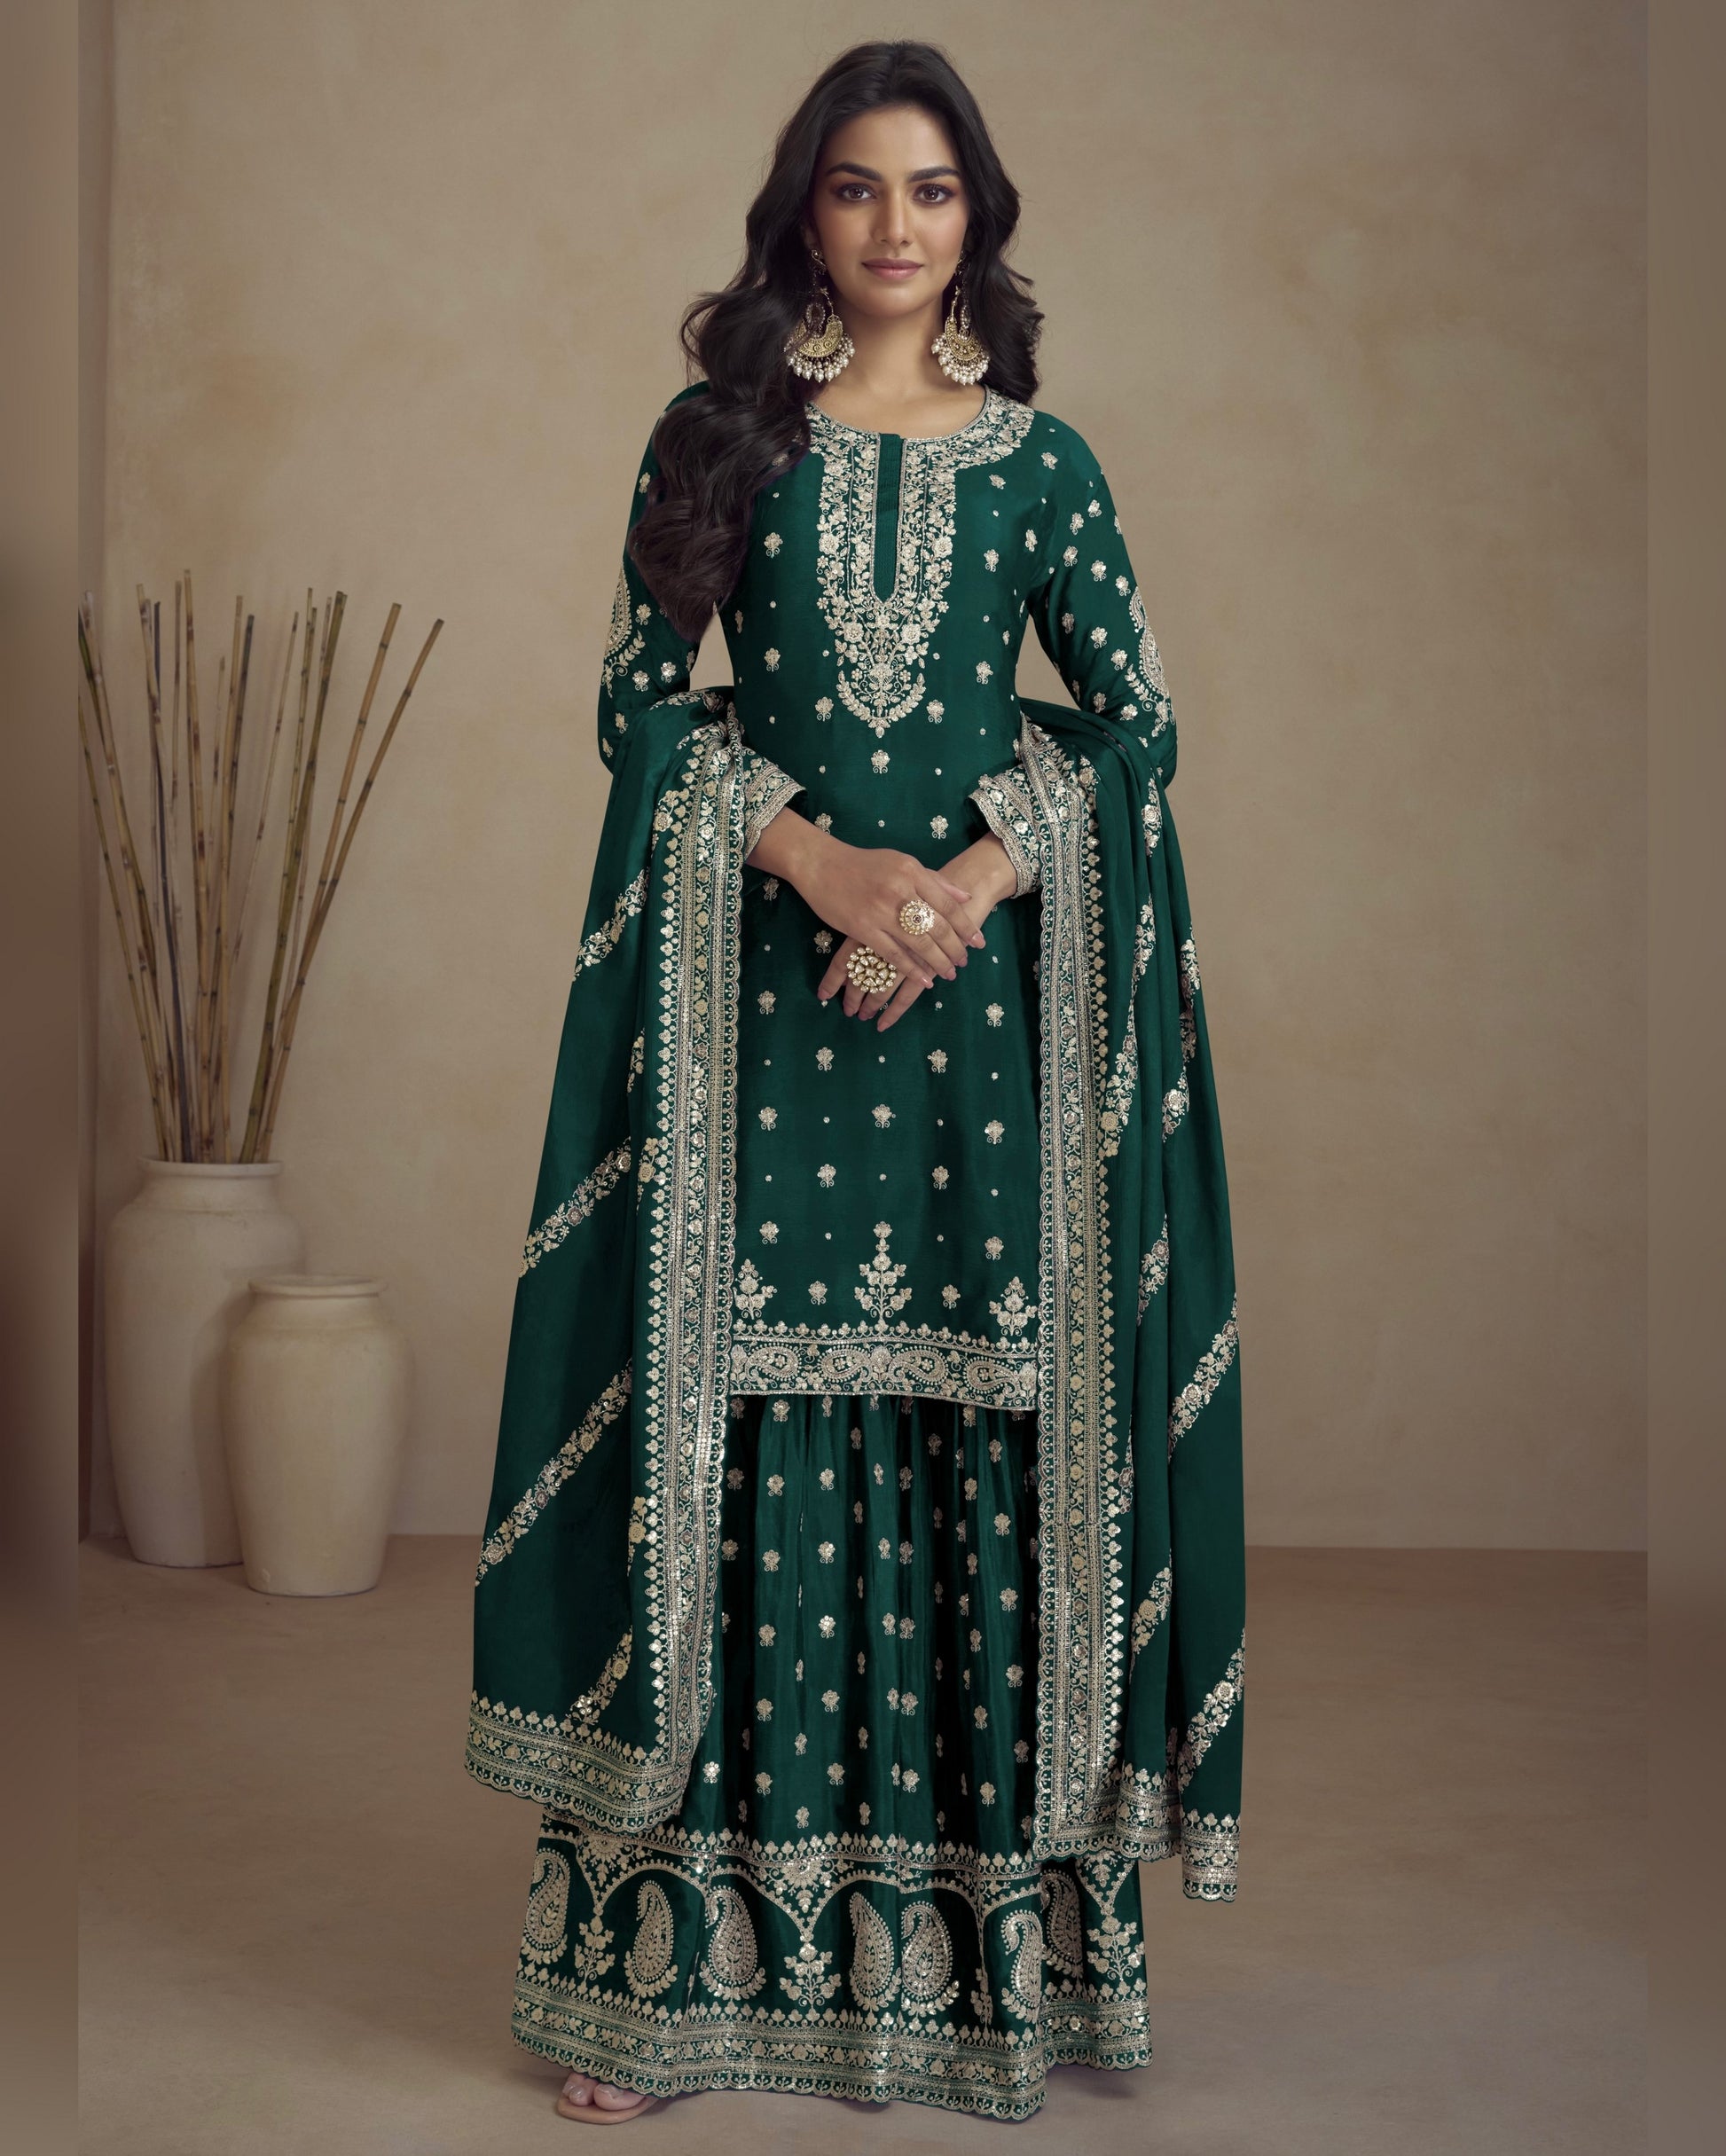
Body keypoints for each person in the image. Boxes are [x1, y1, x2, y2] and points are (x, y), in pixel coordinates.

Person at [467, 38, 1245, 2126]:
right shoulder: (722, 442)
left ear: (979, 218)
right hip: (753, 1027)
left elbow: (1138, 729)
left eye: (930, 189)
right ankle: (666, 1984)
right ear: (798, 216)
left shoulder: (1041, 469)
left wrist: (964, 892)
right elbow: (641, 713)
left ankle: (982, 1994)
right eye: (852, 188)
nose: (895, 226)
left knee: (967, 1435)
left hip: (970, 1047)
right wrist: (822, 860)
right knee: (730, 1443)